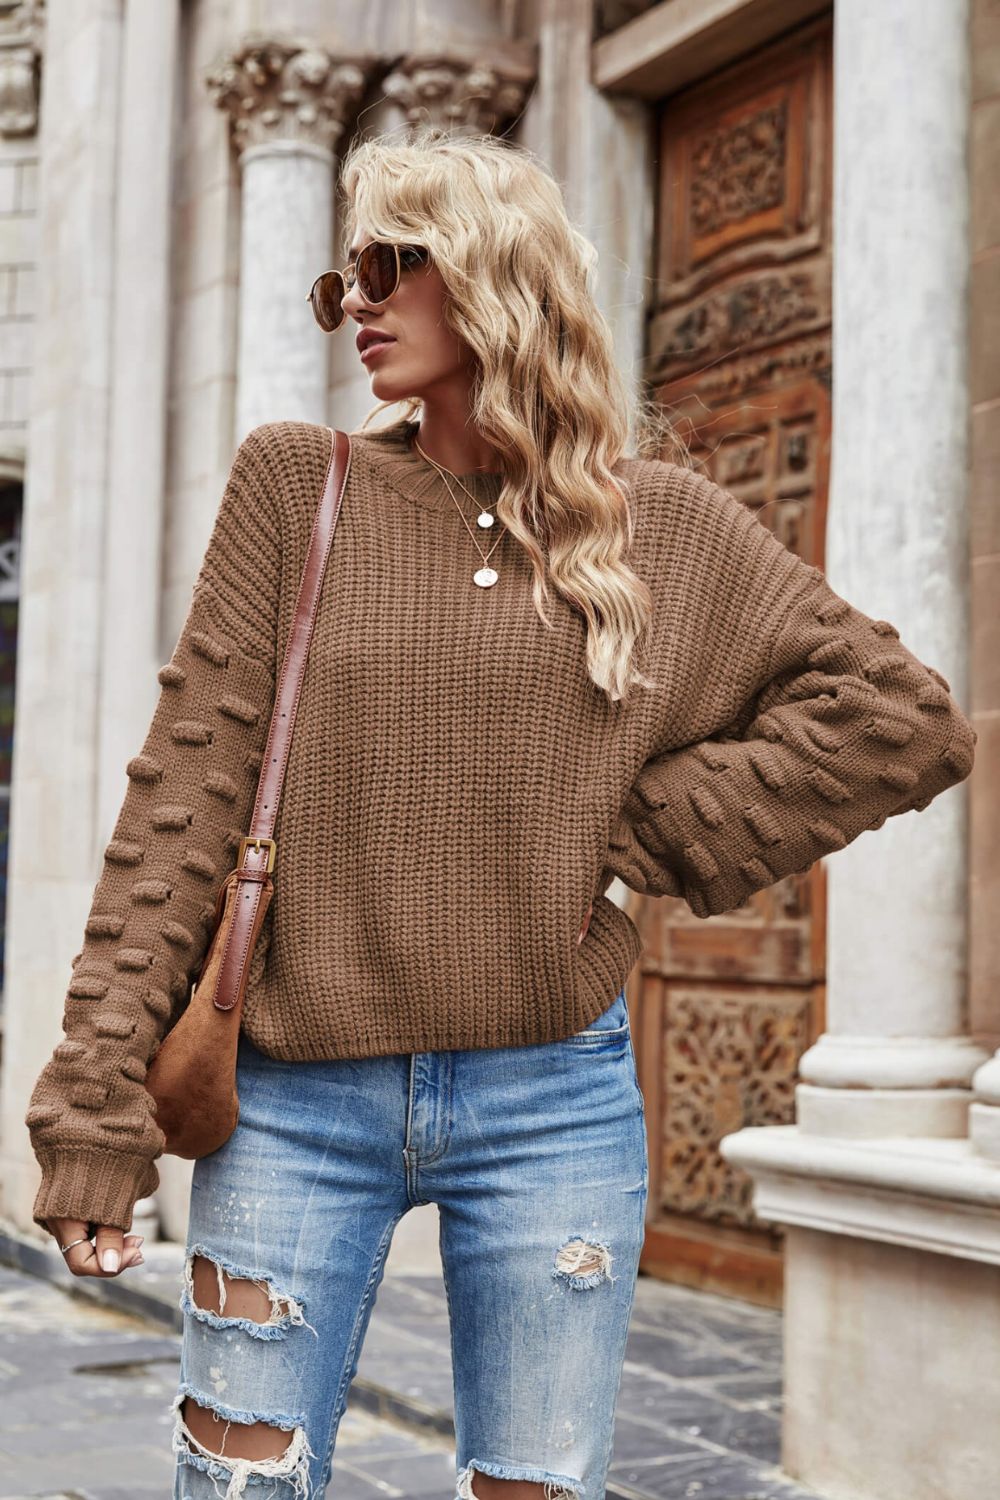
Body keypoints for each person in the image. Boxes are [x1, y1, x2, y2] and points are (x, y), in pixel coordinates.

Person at [25, 128, 976, 1500]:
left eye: (388, 265)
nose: (354, 302)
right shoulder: (298, 488)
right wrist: (93, 1108)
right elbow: (185, 797)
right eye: (344, 276)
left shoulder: (663, 528)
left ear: (494, 277)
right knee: (234, 1486)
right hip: (292, 1101)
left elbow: (901, 718)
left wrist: (632, 830)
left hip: (552, 1102)